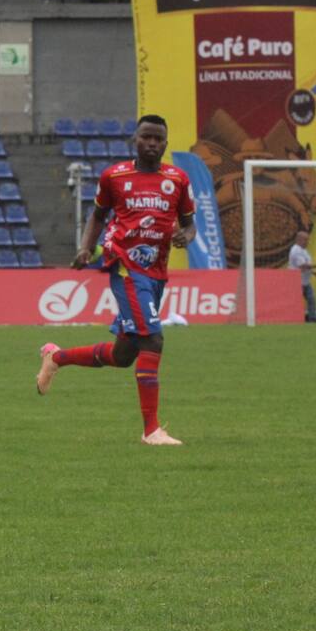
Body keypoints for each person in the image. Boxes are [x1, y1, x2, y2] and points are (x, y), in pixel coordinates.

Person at [35, 114, 196, 446]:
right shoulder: (115, 176)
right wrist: (84, 249)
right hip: (124, 266)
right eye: (146, 137)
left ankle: (57, 358)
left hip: (156, 271)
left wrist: (186, 234)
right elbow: (98, 216)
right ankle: (151, 431)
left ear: (165, 144)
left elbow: (189, 223)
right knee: (153, 340)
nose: (152, 143)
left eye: (158, 139)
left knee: (124, 355)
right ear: (135, 140)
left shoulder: (177, 180)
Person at [288, 228, 316, 322]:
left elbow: (305, 267)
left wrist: (313, 272)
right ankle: (293, 318)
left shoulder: (304, 251)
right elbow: (302, 265)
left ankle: (312, 318)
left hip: (305, 281)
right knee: (296, 302)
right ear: (299, 239)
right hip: (296, 281)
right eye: (306, 239)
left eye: (307, 239)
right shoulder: (296, 250)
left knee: (311, 300)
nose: (307, 242)